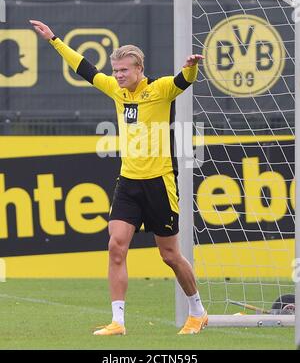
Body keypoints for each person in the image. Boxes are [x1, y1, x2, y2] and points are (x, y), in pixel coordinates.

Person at [29, 19, 208, 336]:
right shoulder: (115, 90)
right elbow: (84, 68)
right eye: (115, 71)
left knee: (169, 255)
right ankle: (118, 322)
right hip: (128, 182)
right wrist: (53, 39)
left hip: (159, 183)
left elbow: (184, 80)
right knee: (116, 246)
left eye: (123, 70)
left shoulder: (160, 89)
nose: (118, 76)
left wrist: (192, 67)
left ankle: (197, 312)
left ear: (139, 69)